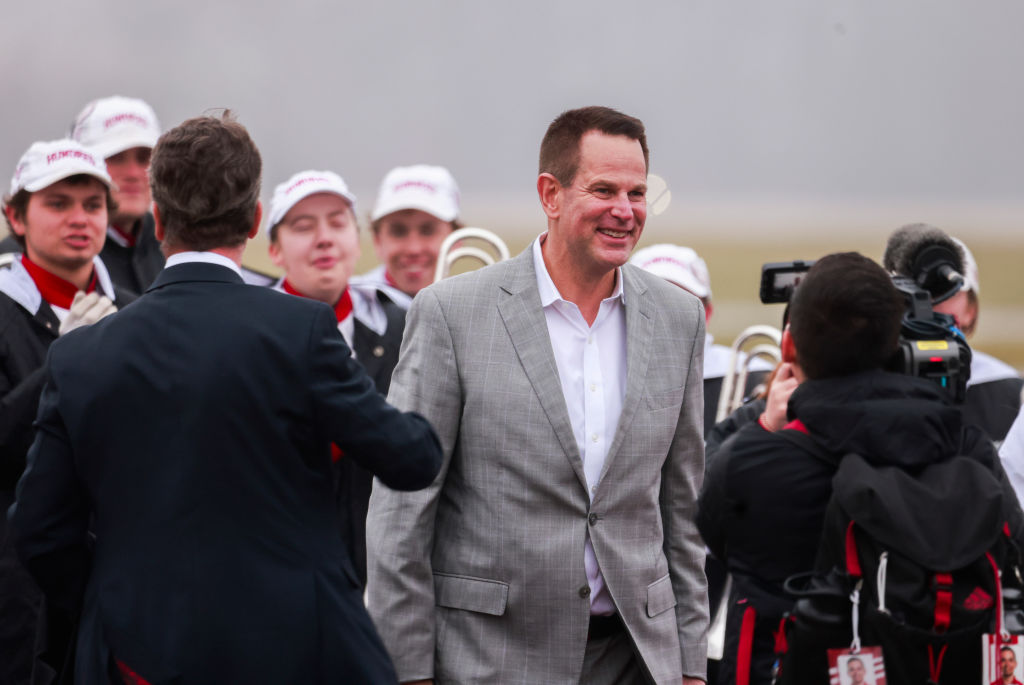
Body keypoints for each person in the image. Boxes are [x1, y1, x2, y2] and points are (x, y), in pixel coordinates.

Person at [9, 113, 443, 684]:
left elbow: (39, 529)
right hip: (294, 646)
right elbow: (412, 460)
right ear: (255, 220)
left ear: (159, 219)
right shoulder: (302, 332)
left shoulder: (81, 355)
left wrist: (111, 594)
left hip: (134, 649)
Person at [366, 106, 708, 684]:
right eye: (603, 190)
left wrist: (692, 666)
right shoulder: (452, 314)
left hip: (636, 659)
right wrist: (410, 671)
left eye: (637, 193)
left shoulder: (679, 319)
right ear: (550, 194)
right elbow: (403, 509)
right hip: (490, 660)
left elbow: (682, 508)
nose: (625, 212)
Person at [697, 252, 1024, 685]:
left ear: (790, 347)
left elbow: (708, 523)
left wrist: (762, 420)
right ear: (896, 347)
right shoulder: (967, 449)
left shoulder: (756, 461)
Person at [0, 138, 132, 684]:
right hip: (15, 580)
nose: (79, 219)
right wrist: (65, 360)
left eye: (93, 204)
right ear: (16, 216)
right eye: (58, 204)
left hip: (115, 570)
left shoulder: (136, 305)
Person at [266, 168, 406, 585]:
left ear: (356, 239)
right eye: (303, 226)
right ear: (275, 250)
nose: (323, 238)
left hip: (380, 579)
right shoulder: (247, 340)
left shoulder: (402, 328)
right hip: (278, 578)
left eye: (337, 222)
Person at [630, 243, 773, 436]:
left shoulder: (756, 375)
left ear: (706, 313)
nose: (664, 312)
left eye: (680, 300)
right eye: (650, 299)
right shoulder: (595, 375)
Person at [933, 237, 1022, 444]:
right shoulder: (870, 383)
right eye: (914, 296)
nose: (928, 306)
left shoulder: (1005, 389)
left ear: (971, 309)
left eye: (946, 293)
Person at [350, 164, 460, 308]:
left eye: (428, 231)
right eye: (398, 232)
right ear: (377, 241)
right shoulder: (348, 306)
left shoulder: (477, 306)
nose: (413, 249)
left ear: (457, 240)